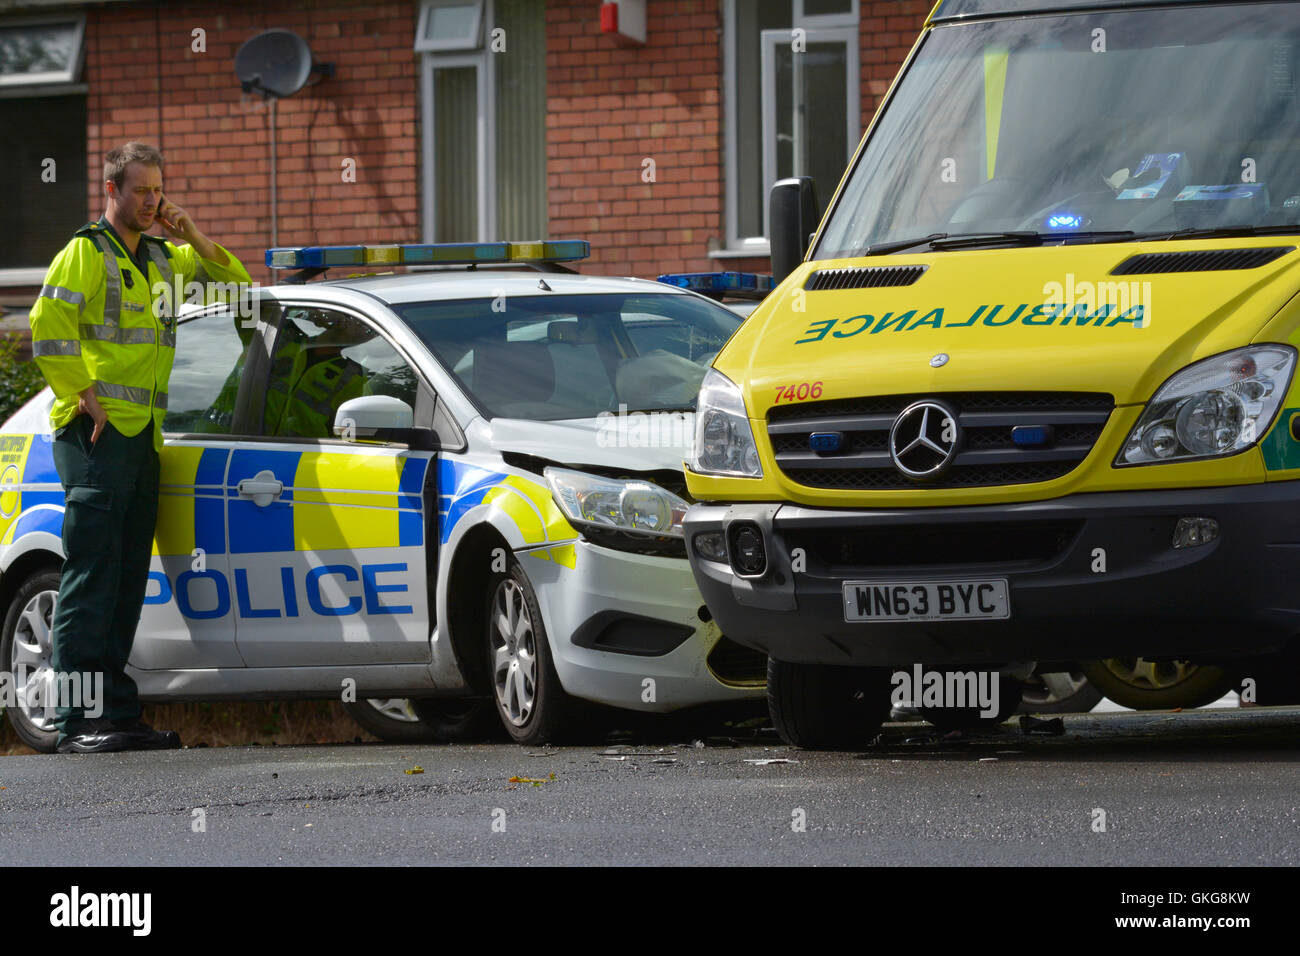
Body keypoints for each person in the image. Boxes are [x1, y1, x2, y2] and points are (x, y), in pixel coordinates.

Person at [28, 142, 252, 754]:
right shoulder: (85, 252)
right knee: (91, 579)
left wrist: (194, 231)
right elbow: (46, 328)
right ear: (112, 190)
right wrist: (83, 394)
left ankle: (116, 714)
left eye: (159, 189)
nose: (152, 200)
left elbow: (237, 287)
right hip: (97, 437)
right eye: (141, 190)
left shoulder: (160, 258)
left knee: (126, 581)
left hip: (142, 438)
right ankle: (77, 723)